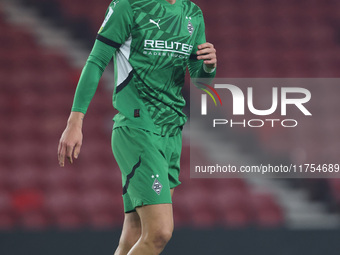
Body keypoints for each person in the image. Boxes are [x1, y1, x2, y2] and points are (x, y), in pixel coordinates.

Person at [58, 0, 217, 254]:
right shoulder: (129, 6)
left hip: (172, 131)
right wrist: (75, 121)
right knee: (159, 232)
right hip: (137, 128)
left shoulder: (192, 13)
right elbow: (96, 60)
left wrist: (208, 66)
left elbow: (199, 81)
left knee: (133, 233)